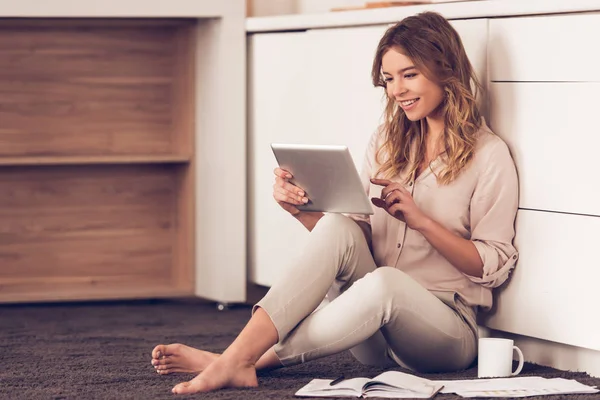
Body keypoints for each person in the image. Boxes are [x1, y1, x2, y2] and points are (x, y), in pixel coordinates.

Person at [150, 11, 519, 394]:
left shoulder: (489, 155)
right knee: (338, 225)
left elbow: (491, 267)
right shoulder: (387, 142)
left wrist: (421, 220)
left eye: (409, 75)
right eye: (389, 79)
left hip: (445, 336)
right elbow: (351, 242)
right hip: (372, 331)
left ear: (445, 69)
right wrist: (302, 212)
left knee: (385, 284)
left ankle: (237, 359)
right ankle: (237, 358)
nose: (397, 90)